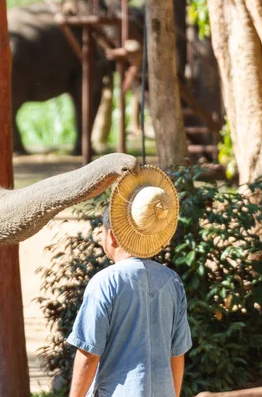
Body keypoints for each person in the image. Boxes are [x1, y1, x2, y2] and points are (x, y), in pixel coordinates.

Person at [67, 166, 192, 397]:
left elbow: (89, 355)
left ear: (112, 236)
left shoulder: (105, 282)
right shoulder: (172, 282)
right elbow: (177, 355)